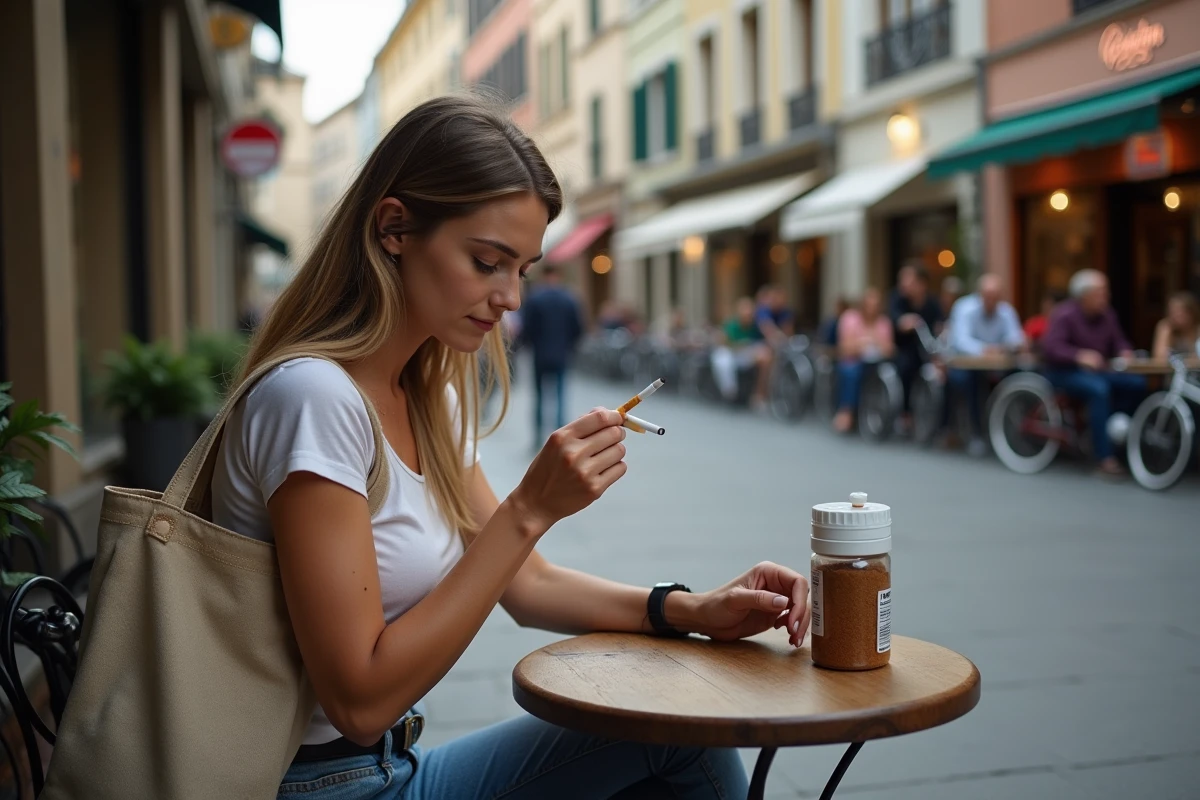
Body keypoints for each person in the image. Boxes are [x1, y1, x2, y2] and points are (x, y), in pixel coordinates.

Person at [208, 96, 815, 800]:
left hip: (392, 765)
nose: (510, 299)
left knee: (672, 727)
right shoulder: (314, 399)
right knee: (673, 736)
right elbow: (360, 700)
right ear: (394, 227)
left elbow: (528, 587)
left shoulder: (427, 394)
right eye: (487, 261)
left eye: (522, 269)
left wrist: (690, 609)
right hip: (322, 785)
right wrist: (530, 507)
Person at [1042, 269, 1144, 477]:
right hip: (1064, 372)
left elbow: (1119, 341)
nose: (1105, 296)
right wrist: (1078, 355)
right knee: (1099, 390)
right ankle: (1104, 457)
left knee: (1137, 384)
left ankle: (1110, 429)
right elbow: (1051, 347)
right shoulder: (1064, 314)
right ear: (1084, 295)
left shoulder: (1107, 315)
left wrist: (1125, 351)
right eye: (1100, 292)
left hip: (1098, 371)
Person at [943, 274, 1025, 455]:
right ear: (979, 294)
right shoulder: (964, 308)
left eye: (996, 297)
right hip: (964, 366)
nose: (991, 301)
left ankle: (1012, 428)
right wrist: (985, 349)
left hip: (996, 367)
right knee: (970, 382)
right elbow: (960, 341)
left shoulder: (1006, 311)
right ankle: (976, 433)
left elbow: (1016, 337)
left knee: (1019, 374)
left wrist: (1011, 346)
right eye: (988, 296)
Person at [519, 263, 583, 448]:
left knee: (539, 397)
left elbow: (526, 329)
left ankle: (538, 437)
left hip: (540, 354)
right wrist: (569, 346)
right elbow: (578, 328)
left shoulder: (535, 299)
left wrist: (530, 345)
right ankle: (561, 436)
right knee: (561, 396)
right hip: (562, 354)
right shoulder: (569, 299)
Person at [833, 289, 894, 434]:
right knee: (851, 372)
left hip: (875, 363)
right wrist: (862, 345)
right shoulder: (849, 319)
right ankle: (846, 411)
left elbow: (889, 348)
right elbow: (844, 347)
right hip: (853, 360)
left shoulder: (883, 322)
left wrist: (876, 345)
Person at [890, 263, 944, 429]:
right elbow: (894, 319)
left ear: (922, 284)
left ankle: (942, 422)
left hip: (928, 349)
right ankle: (905, 412)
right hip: (904, 349)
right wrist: (904, 322)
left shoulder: (932, 303)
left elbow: (940, 326)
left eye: (909, 280)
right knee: (906, 368)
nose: (904, 284)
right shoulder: (898, 300)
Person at [711, 297, 772, 407]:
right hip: (731, 354)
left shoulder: (756, 325)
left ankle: (759, 395)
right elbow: (725, 343)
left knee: (765, 357)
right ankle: (729, 392)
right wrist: (742, 345)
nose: (748, 316)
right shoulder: (731, 324)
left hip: (746, 355)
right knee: (722, 359)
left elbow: (762, 342)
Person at [1152, 291, 1200, 359]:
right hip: (1172, 369)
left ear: (1192, 313)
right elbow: (1159, 358)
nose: (1176, 316)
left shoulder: (1198, 328)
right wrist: (1167, 333)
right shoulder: (1166, 327)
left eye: (1181, 312)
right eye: (1173, 312)